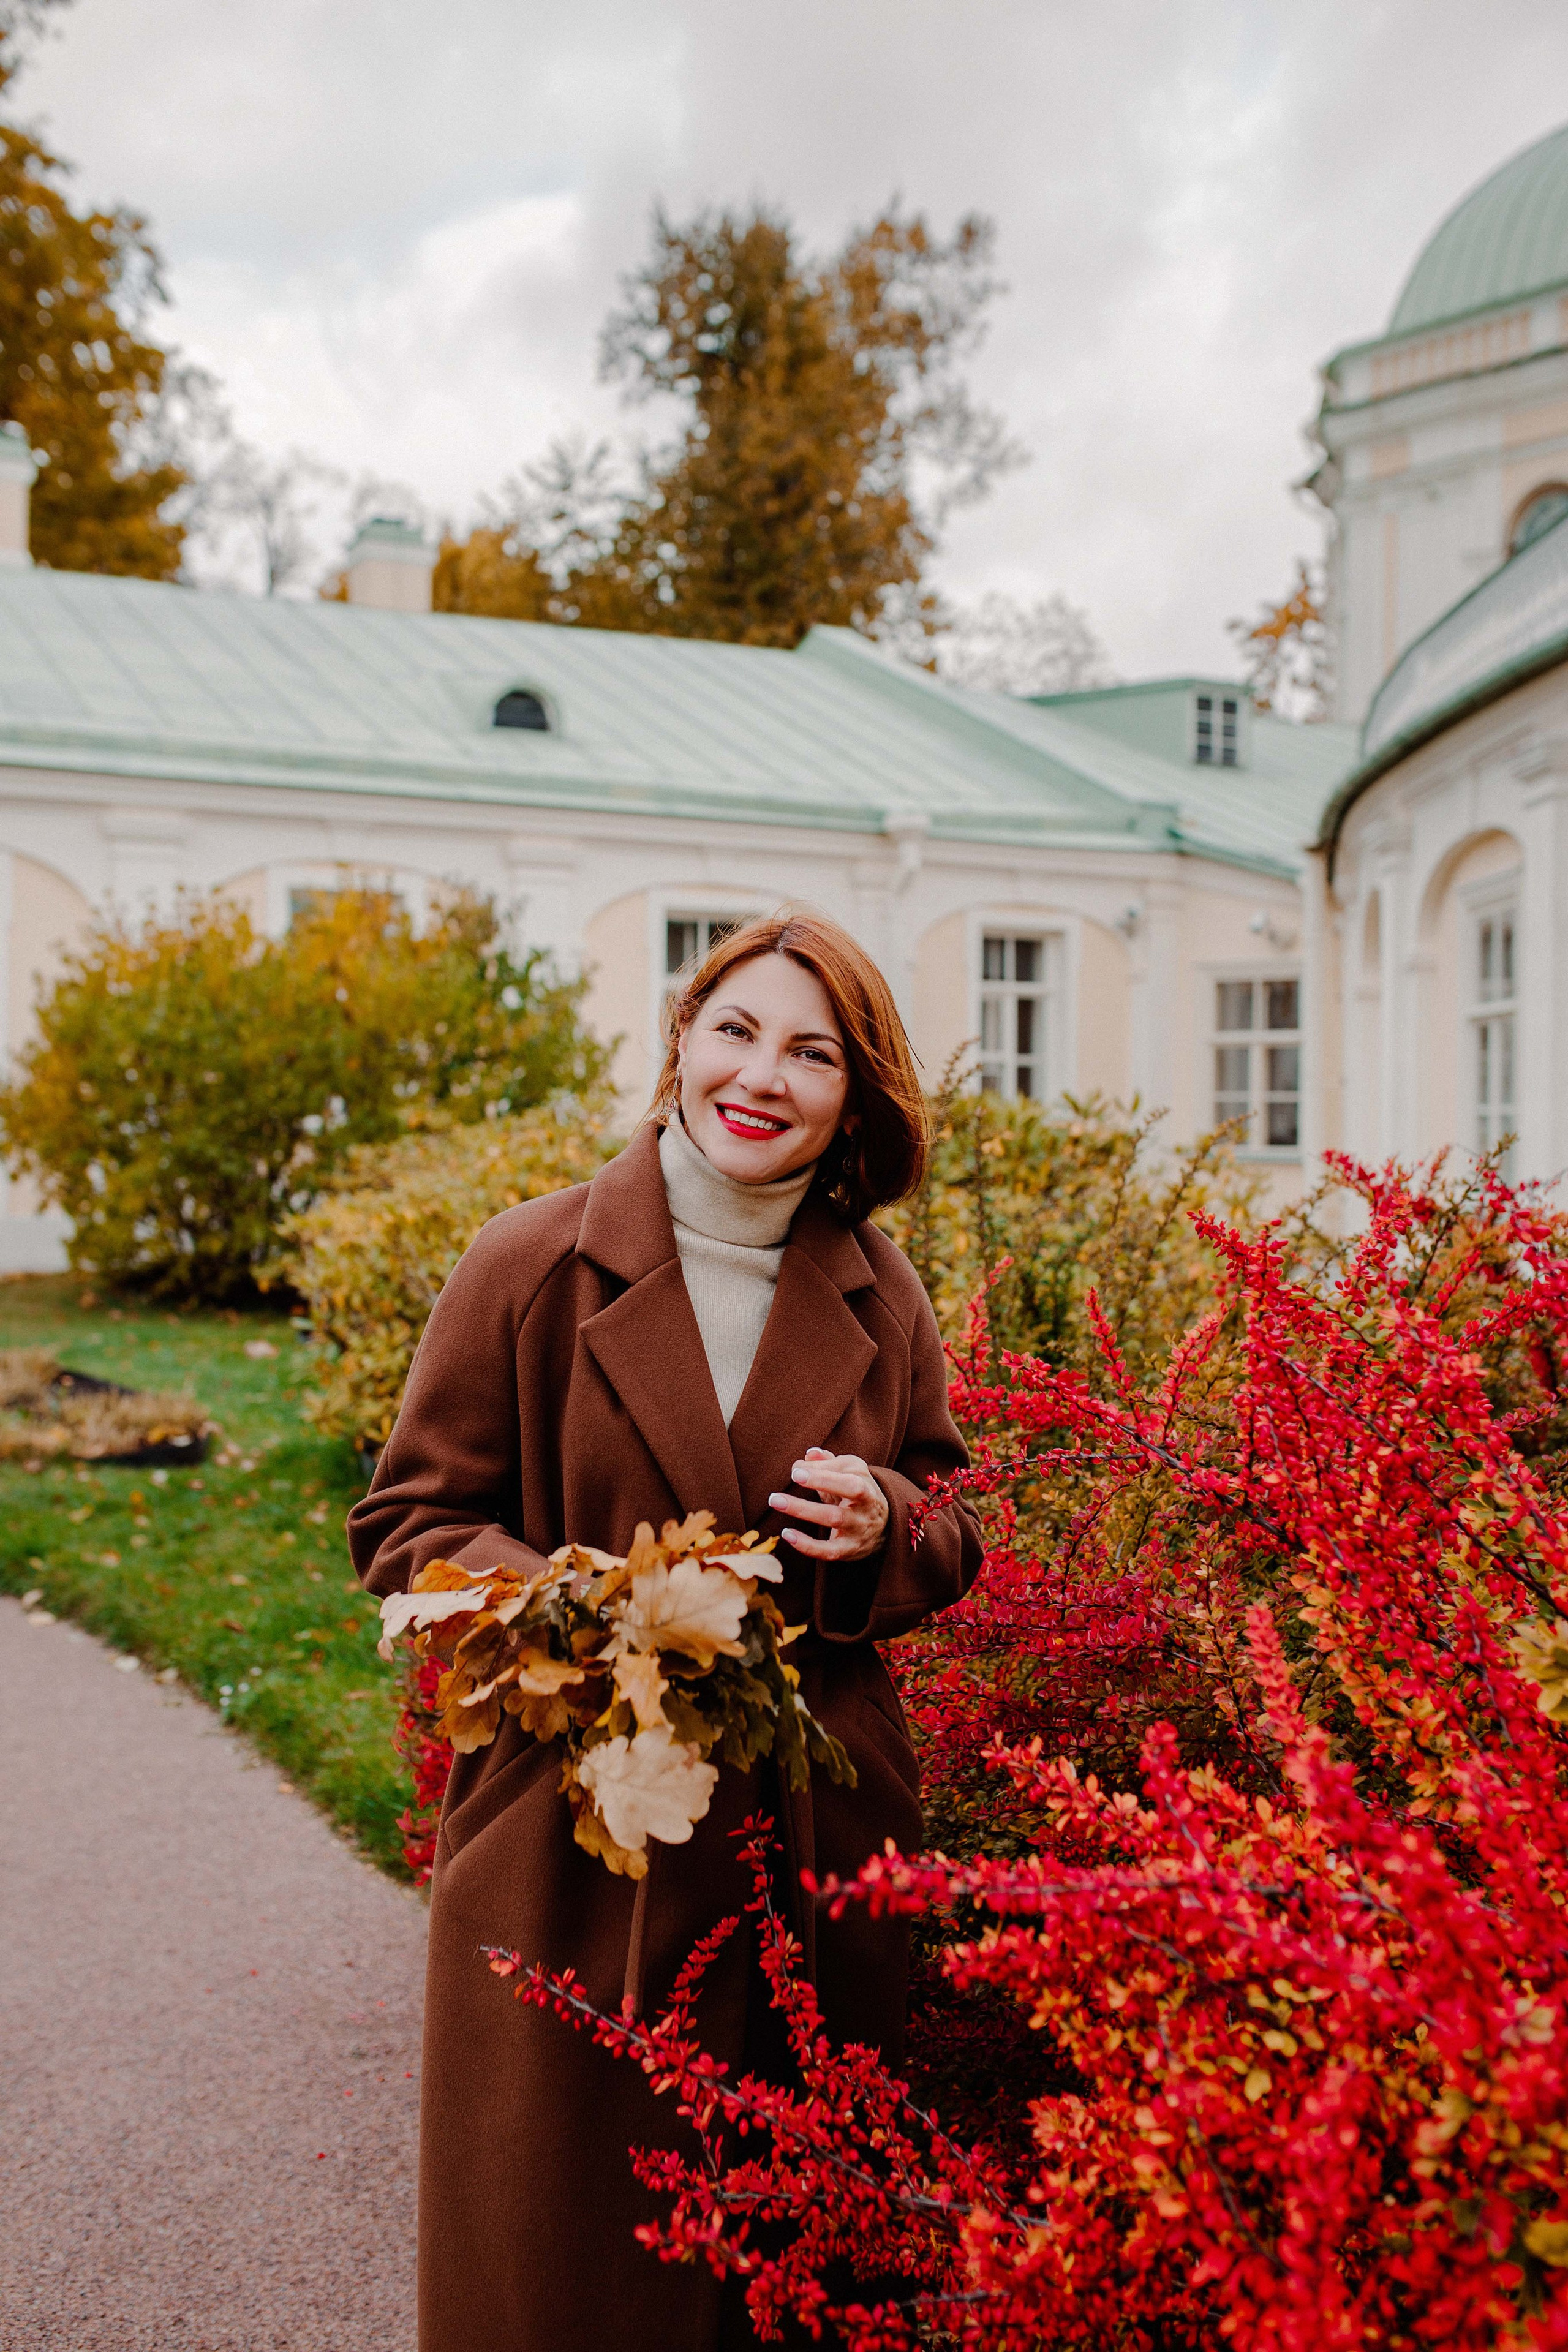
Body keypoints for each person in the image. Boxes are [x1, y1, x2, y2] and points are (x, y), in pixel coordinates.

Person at [349, 910, 982, 2352]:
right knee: (563, 2257)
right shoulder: (528, 1263)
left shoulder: (880, 1294)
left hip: (818, 1834)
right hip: (583, 1828)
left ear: (854, 1093)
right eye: (737, 1031)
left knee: (796, 2254)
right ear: (682, 1043)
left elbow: (949, 1517)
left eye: (812, 1052)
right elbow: (409, 1523)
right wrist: (579, 1607)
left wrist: (886, 1521)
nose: (762, 1076)